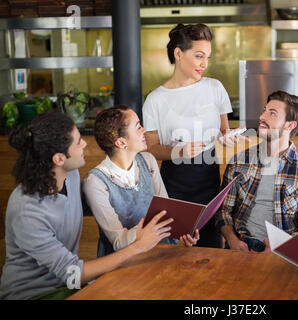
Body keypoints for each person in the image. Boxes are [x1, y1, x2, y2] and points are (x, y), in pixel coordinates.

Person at [0, 112, 173, 300]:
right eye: (78, 142)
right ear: (58, 159)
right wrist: (138, 246)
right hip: (35, 294)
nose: (85, 144)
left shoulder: (70, 176)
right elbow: (73, 273)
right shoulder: (27, 210)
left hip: (68, 286)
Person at [142, 23, 245, 248]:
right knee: (175, 254)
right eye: (199, 56)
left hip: (209, 181)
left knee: (211, 251)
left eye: (207, 56)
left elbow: (223, 130)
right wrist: (179, 151)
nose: (204, 63)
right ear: (178, 53)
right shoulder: (155, 100)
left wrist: (228, 136)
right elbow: (151, 148)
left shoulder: (215, 88)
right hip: (173, 186)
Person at [83, 105, 199, 257]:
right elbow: (118, 242)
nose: (144, 130)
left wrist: (181, 233)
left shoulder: (148, 160)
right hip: (123, 264)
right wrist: (151, 226)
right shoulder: (95, 181)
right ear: (121, 142)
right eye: (138, 127)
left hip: (161, 253)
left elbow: (166, 211)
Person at [215, 91, 298, 252]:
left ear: (290, 125)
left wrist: (281, 251)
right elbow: (223, 211)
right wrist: (233, 240)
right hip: (238, 248)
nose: (262, 117)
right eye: (264, 110)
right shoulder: (239, 162)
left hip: (283, 255)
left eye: (272, 113)